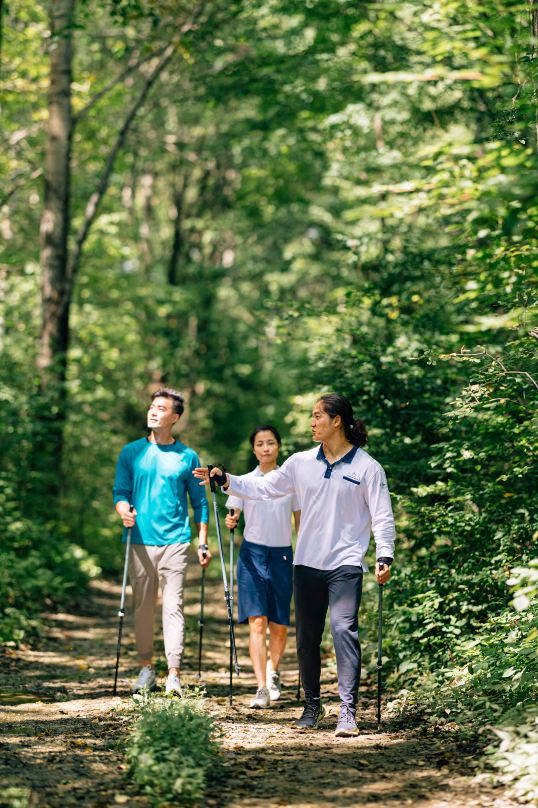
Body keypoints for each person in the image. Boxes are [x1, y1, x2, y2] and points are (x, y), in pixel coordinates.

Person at [194, 393, 395, 737]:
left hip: (346, 563)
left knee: (344, 630)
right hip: (306, 563)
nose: (312, 422)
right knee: (306, 639)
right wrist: (226, 480)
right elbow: (263, 487)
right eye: (311, 416)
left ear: (337, 421)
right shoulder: (300, 463)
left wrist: (384, 554)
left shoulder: (367, 468)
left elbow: (382, 516)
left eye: (318, 416)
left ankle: (347, 711)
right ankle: (313, 705)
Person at [113, 387, 211, 695]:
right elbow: (120, 492)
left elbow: (201, 502)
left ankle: (173, 674)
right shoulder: (131, 452)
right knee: (142, 608)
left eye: (161, 408)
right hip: (140, 540)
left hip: (176, 541)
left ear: (175, 417)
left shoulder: (187, 456)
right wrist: (123, 511)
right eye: (152, 406)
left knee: (173, 606)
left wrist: (203, 541)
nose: (153, 411)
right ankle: (146, 668)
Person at [225, 425, 300, 708]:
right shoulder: (243, 481)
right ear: (253, 449)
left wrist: (304, 552)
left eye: (271, 443)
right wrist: (231, 520)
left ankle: (274, 671)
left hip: (282, 555)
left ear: (279, 446)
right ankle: (260, 688)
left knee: (279, 625)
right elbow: (233, 513)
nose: (265, 448)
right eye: (260, 443)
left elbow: (299, 522)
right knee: (257, 621)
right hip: (252, 556)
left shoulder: (291, 482)